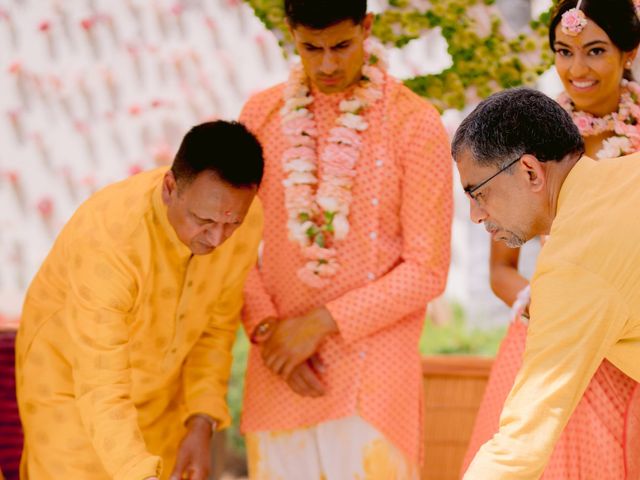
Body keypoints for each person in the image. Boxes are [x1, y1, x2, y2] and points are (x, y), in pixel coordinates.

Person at [238, 0, 453, 477]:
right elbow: (231, 245)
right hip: (280, 368)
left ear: (366, 27)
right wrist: (271, 334)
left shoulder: (413, 124)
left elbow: (427, 270)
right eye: (311, 48)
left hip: (372, 376)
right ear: (291, 33)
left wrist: (317, 324)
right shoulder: (262, 115)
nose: (328, 64)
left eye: (341, 45)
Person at [15, 121, 264, 480]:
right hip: (71, 382)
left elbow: (215, 327)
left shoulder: (247, 221)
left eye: (231, 224)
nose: (217, 238)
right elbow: (100, 384)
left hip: (161, 389)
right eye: (202, 220)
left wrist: (201, 421)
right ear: (169, 188)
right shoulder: (112, 240)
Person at [462, 1, 640, 477]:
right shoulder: (527, 136)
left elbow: (517, 450)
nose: (577, 68)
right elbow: (503, 266)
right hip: (554, 336)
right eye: (564, 51)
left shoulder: (570, 261)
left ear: (629, 53)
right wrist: (543, 306)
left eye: (595, 50)